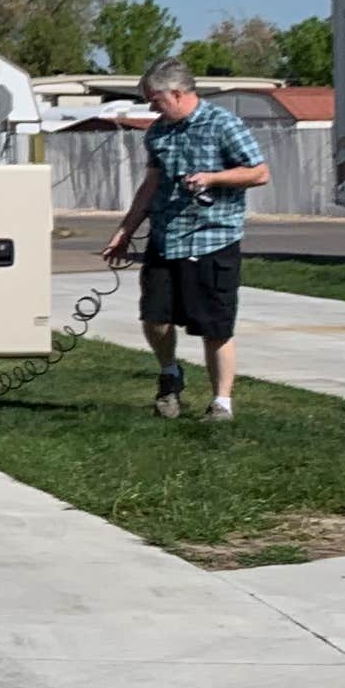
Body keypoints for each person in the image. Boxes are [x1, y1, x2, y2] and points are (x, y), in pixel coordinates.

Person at [103, 63, 270, 421]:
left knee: (215, 327)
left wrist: (213, 178)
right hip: (165, 238)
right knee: (155, 318)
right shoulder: (158, 133)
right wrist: (126, 230)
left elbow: (259, 172)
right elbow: (151, 185)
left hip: (213, 239)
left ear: (178, 94)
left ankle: (221, 402)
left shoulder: (223, 124)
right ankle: (170, 375)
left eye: (155, 100)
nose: (151, 108)